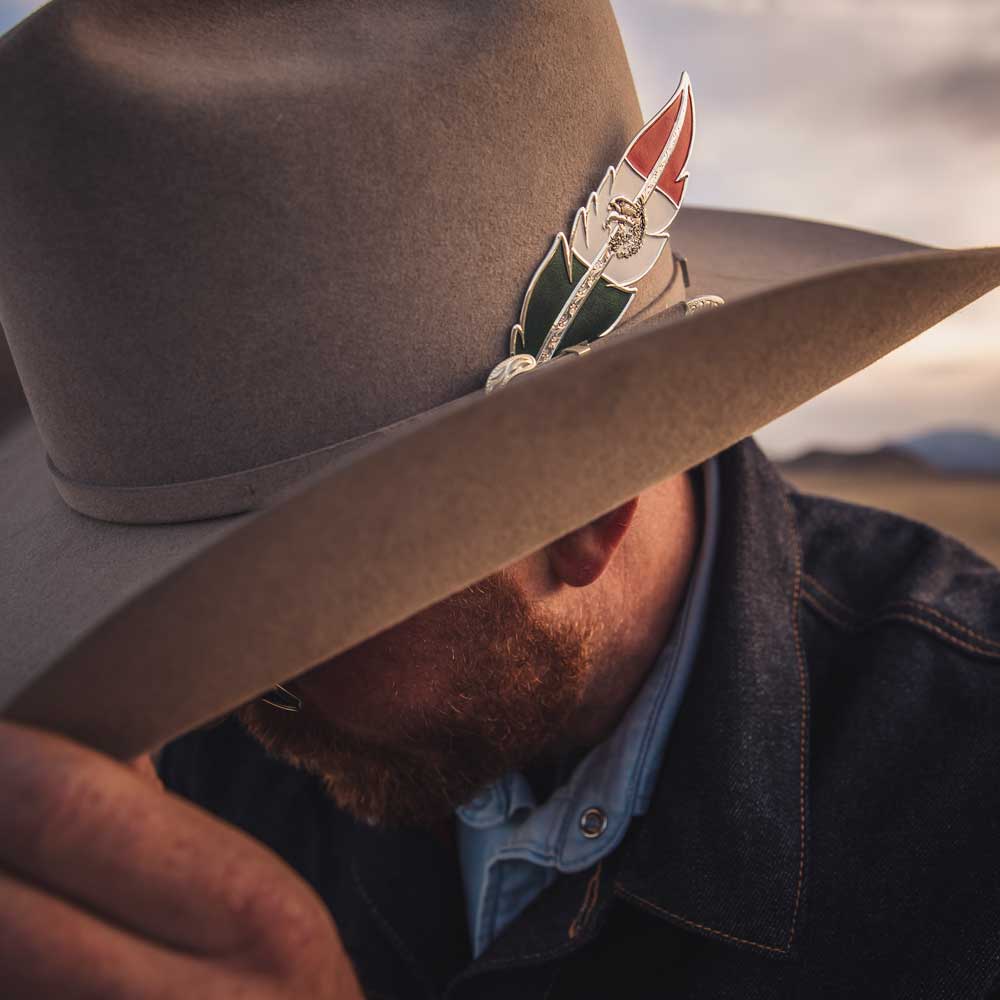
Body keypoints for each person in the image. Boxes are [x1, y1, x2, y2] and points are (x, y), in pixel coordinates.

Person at [2, 2, 1000, 997]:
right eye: (160, 605)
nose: (226, 691)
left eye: (285, 599)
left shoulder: (963, 808)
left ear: (583, 505)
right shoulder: (196, 753)